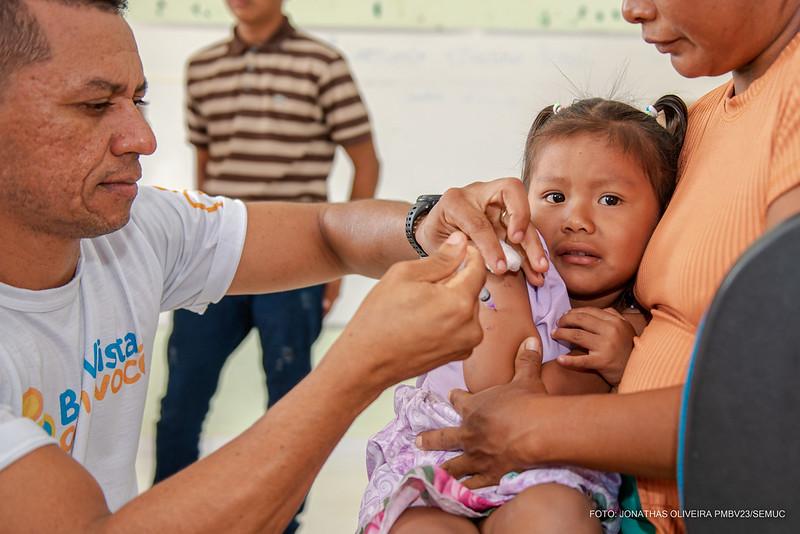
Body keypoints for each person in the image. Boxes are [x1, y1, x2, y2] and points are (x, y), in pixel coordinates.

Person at [0, 1, 551, 531]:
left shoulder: (138, 227)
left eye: (137, 101)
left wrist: (426, 224)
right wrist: (360, 366)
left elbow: (326, 233)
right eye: (95, 106)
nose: (143, 139)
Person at [417, 1, 800, 532]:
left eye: (609, 202)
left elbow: (779, 400)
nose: (631, 9)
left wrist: (540, 425)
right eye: (553, 195)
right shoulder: (708, 117)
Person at [358, 95, 688, 534]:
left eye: (610, 200)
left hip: (552, 472)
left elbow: (539, 399)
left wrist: (625, 366)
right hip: (442, 461)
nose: (577, 219)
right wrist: (498, 271)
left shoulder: (634, 325)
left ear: (661, 219)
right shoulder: (495, 275)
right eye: (554, 196)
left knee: (555, 515)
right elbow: (491, 386)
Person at [155, 4, 380, 531]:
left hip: (293, 264)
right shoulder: (202, 65)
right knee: (182, 397)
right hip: (213, 259)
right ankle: (160, 514)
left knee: (291, 404)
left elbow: (365, 160)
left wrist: (338, 264)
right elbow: (205, 164)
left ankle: (282, 523)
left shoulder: (322, 63)